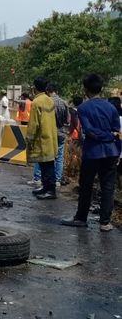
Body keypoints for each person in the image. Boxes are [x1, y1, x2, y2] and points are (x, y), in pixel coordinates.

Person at [61, 74, 121, 231]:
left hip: (93, 152)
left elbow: (90, 131)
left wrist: (103, 136)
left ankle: (81, 218)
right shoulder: (111, 107)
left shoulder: (83, 108)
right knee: (108, 187)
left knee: (86, 185)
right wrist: (113, 142)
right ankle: (105, 222)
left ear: (85, 90)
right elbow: (117, 131)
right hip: (111, 151)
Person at [29, 83, 70, 187]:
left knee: (43, 155)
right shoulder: (64, 103)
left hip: (49, 132)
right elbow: (67, 120)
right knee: (59, 157)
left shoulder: (47, 102)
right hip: (61, 132)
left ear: (47, 91)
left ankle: (37, 178)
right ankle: (57, 180)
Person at [27, 77, 58, 200]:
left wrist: (30, 138)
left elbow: (34, 124)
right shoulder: (50, 101)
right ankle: (46, 187)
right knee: (47, 164)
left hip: (41, 138)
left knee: (47, 166)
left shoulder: (36, 102)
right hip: (51, 136)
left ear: (35, 88)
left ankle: (50, 190)